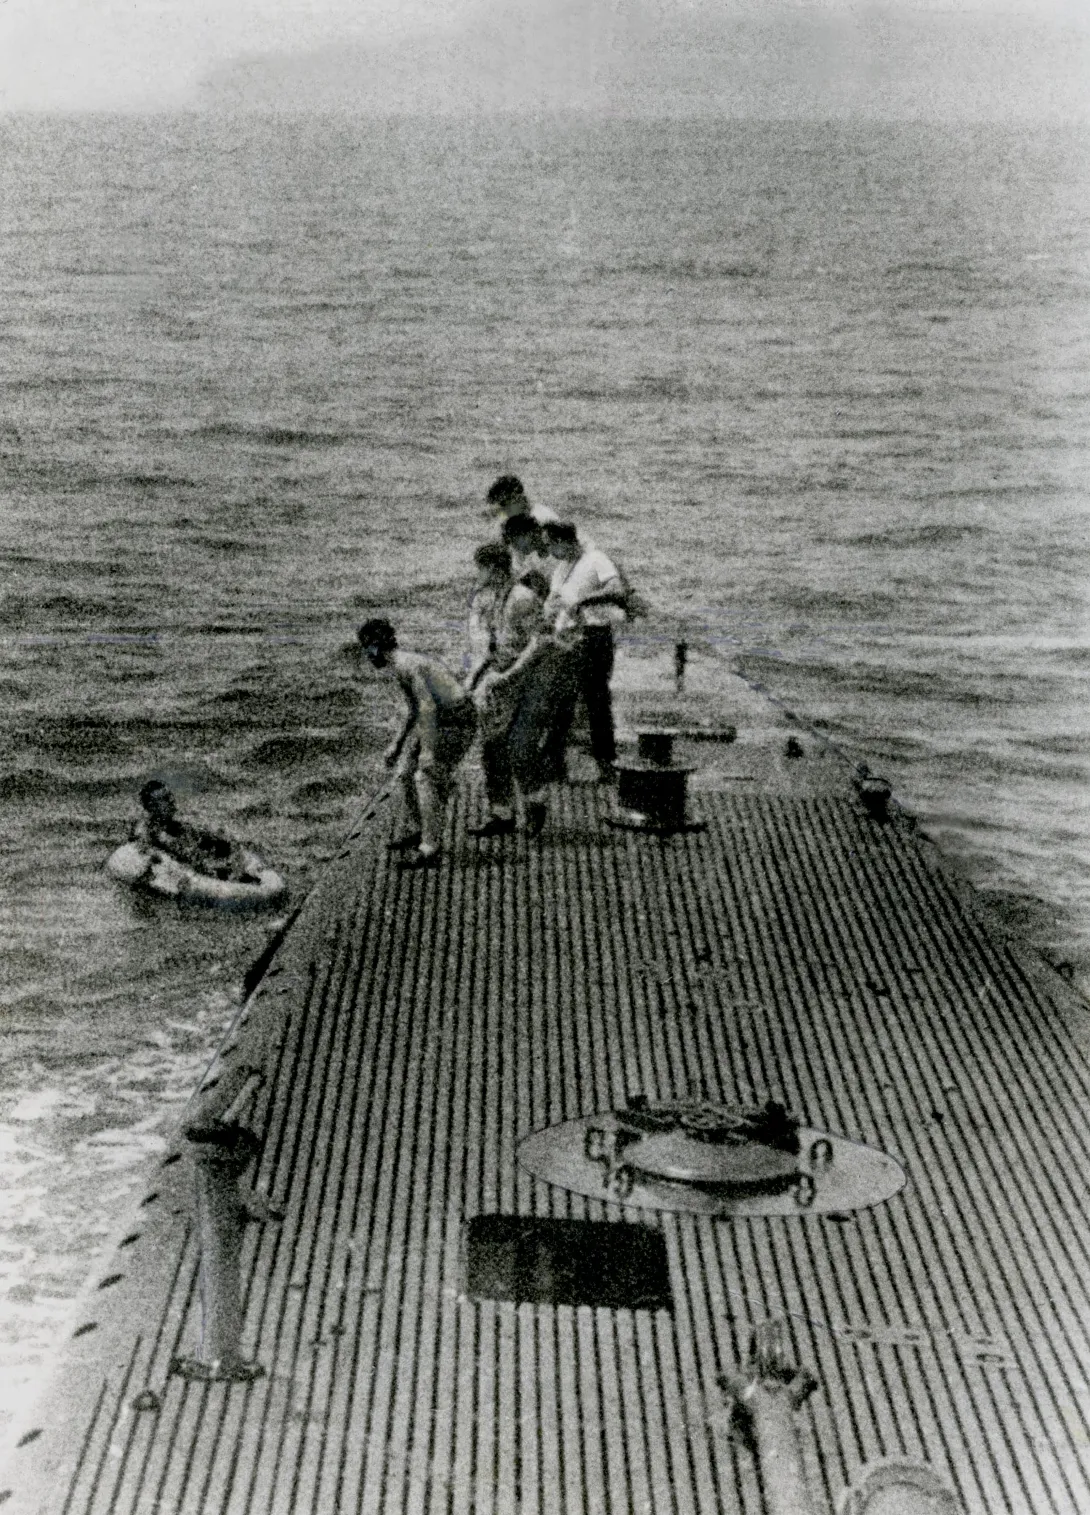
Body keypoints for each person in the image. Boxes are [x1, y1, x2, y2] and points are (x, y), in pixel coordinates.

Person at [357, 618, 476, 870]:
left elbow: (427, 707)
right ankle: (420, 828)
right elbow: (414, 710)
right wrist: (397, 745)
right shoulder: (398, 666)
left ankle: (430, 848)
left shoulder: (406, 666)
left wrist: (429, 751)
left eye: (367, 649)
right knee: (404, 774)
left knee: (425, 777)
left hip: (457, 721)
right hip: (439, 720)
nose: (367, 656)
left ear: (375, 647)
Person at [468, 534, 558, 838]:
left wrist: (509, 675)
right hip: (502, 678)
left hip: (531, 679)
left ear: (494, 569)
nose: (477, 575)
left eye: (480, 568)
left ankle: (536, 803)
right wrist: (475, 679)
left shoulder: (522, 598)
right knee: (492, 747)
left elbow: (540, 643)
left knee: (520, 746)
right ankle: (501, 813)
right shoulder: (493, 599)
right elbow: (494, 648)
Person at [542, 521, 626, 783]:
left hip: (594, 634)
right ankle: (555, 763)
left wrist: (585, 600)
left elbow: (616, 589)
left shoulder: (596, 559)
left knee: (596, 701)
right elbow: (555, 602)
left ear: (563, 541)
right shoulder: (561, 569)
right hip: (568, 636)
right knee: (561, 699)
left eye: (550, 545)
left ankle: (607, 765)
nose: (548, 551)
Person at [132, 780, 253, 881]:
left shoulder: (177, 826)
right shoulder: (147, 829)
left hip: (198, 859)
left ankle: (235, 871)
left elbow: (198, 838)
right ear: (151, 807)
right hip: (189, 868)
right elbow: (144, 847)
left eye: (170, 797)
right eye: (165, 799)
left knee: (222, 842)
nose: (172, 801)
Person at [465, 542, 513, 693]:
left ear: (491, 568)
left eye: (480, 569)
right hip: (499, 664)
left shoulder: (516, 597)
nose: (478, 574)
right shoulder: (498, 595)